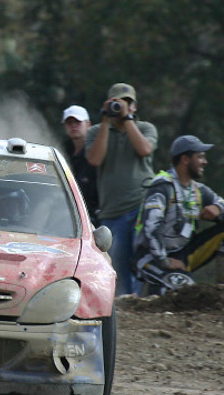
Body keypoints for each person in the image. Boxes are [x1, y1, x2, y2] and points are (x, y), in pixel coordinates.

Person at [134, 135, 224, 293]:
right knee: (182, 291)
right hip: (152, 257)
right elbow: (151, 227)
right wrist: (164, 261)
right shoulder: (162, 185)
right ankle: (151, 292)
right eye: (200, 157)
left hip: (184, 253)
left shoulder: (198, 190)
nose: (205, 162)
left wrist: (219, 209)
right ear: (185, 159)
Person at [85, 83, 157, 295]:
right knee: (115, 270)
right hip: (112, 212)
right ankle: (122, 313)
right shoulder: (96, 131)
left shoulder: (145, 128)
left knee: (141, 264)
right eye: (116, 102)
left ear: (134, 106)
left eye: (126, 102)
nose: (121, 106)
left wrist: (127, 120)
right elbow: (95, 159)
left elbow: (144, 149)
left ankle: (142, 305)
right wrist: (107, 121)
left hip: (140, 208)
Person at [61, 105, 98, 224]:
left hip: (92, 216)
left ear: (88, 124)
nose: (73, 126)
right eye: (69, 122)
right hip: (65, 214)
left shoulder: (96, 152)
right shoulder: (62, 151)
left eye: (77, 122)